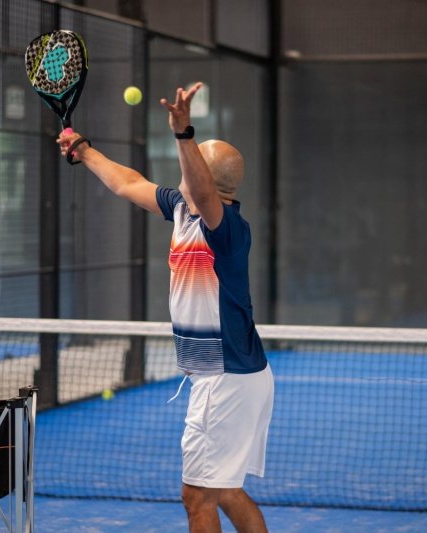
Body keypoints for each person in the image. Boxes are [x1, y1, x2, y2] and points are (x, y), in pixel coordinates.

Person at [58, 83, 273, 532]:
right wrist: (84, 150)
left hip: (225, 377)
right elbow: (128, 182)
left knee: (196, 496)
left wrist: (183, 133)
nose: (180, 180)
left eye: (190, 174)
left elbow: (203, 190)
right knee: (224, 489)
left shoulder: (227, 230)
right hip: (230, 374)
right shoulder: (181, 211)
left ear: (206, 182)